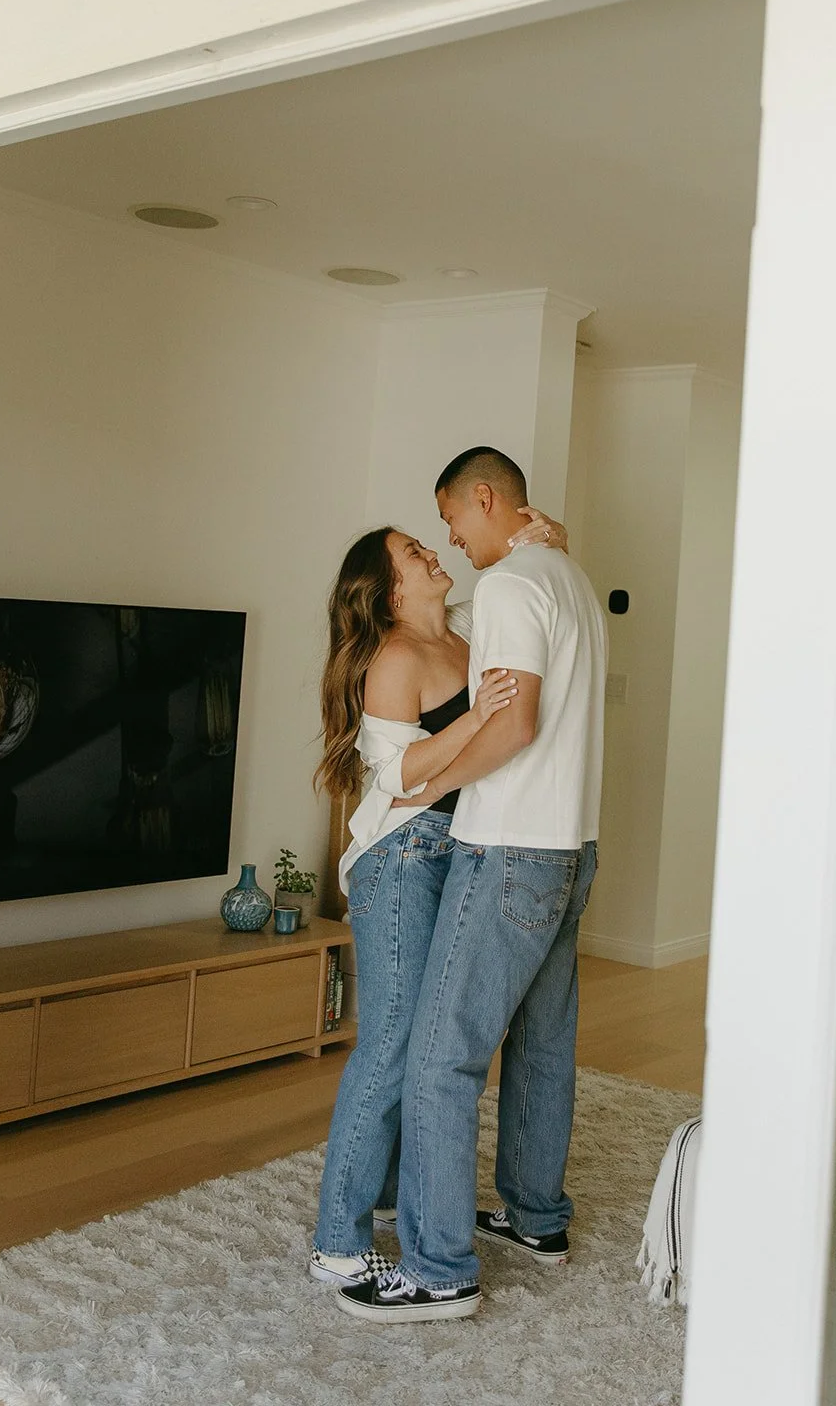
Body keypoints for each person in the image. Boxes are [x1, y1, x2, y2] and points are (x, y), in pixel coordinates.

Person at [337, 447, 606, 1323]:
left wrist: (427, 787)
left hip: (506, 848)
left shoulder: (506, 589)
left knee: (440, 1056)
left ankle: (438, 1267)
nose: (446, 541)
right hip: (570, 846)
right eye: (423, 546)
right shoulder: (569, 575)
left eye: (445, 522)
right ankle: (534, 1218)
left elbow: (513, 723)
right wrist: (413, 785)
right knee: (539, 1042)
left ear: (483, 499)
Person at [309, 507, 566, 1290]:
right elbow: (397, 776)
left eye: (424, 544)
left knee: (426, 1042)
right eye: (412, 554)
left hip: (452, 849)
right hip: (401, 858)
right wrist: (478, 720)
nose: (430, 552)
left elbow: (512, 587)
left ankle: (389, 1196)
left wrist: (549, 546)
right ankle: (335, 1242)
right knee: (389, 1043)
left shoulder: (457, 628)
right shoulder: (395, 655)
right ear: (388, 594)